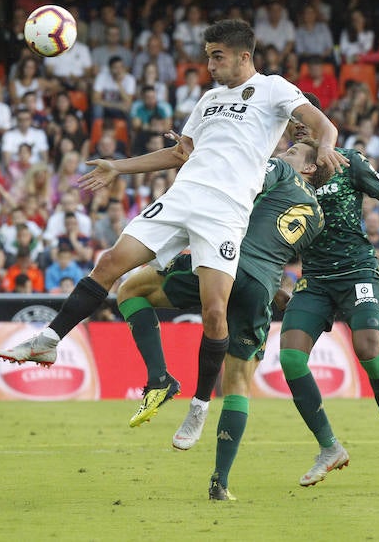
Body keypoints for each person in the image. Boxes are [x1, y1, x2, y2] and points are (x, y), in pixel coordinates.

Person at [0, 20, 343, 394]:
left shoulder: (273, 87)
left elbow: (323, 124)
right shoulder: (209, 100)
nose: (209, 66)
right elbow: (181, 152)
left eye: (217, 56)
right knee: (111, 261)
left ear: (244, 56)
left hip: (225, 209)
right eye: (208, 56)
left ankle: (199, 403)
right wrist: (119, 166)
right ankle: (49, 340)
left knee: (214, 312)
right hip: (183, 195)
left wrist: (325, 146)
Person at [115, 139, 329, 500]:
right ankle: (220, 483)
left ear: (308, 167)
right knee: (239, 384)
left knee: (129, 291)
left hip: (222, 262)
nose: (282, 154)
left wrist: (203, 150)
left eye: (292, 152)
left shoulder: (278, 171)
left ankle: (161, 378)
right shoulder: (318, 218)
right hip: (261, 286)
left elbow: (236, 180)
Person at [278, 134, 379, 487]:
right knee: (291, 359)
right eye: (290, 125)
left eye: (302, 122)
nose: (295, 131)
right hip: (315, 278)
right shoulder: (283, 173)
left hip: (357, 270)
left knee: (368, 348)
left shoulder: (348, 162)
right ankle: (329, 447)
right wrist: (277, 280)